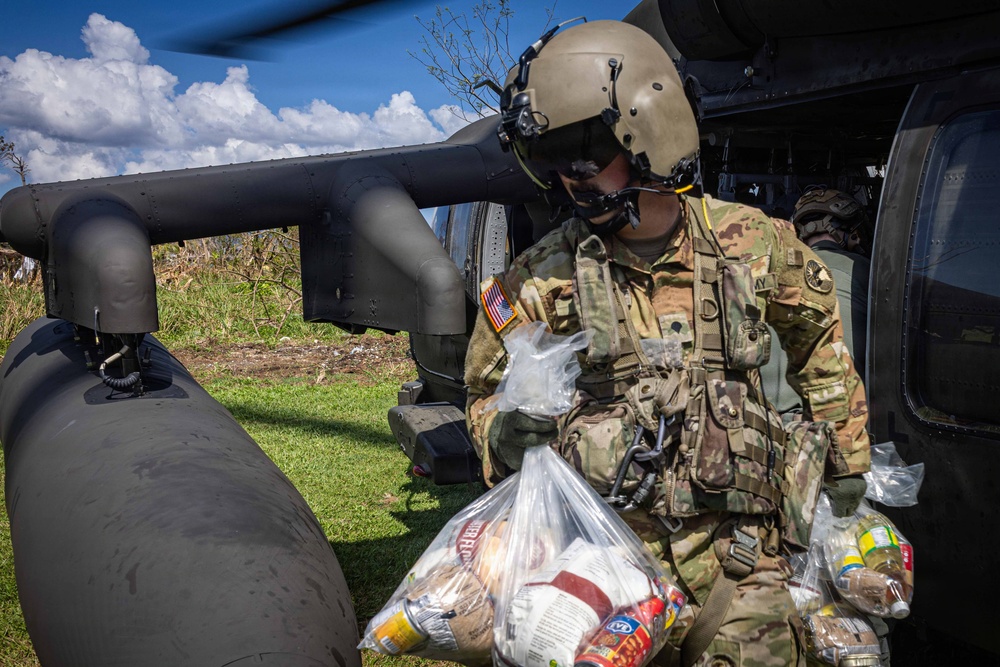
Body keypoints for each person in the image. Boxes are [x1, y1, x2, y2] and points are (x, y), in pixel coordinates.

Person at [463, 20, 870, 667]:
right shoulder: (541, 280)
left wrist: (846, 467)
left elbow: (821, 344)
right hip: (602, 576)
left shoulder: (754, 246)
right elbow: (481, 395)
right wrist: (506, 432)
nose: (569, 179)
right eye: (552, 159)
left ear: (648, 130)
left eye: (583, 153)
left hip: (746, 574)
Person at [760, 187, 873, 417]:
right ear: (854, 233)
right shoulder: (867, 272)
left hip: (768, 425)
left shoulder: (769, 272)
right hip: (835, 423)